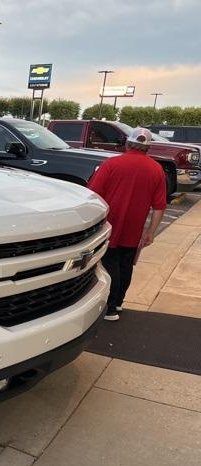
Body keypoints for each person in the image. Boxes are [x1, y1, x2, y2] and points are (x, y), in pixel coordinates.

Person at [88, 127, 166, 321]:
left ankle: (111, 307)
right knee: (126, 264)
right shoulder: (156, 169)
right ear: (148, 147)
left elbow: (93, 195)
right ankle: (119, 302)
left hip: (110, 224)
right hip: (135, 228)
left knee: (110, 263)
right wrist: (151, 232)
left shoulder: (111, 164)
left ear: (128, 143)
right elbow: (160, 206)